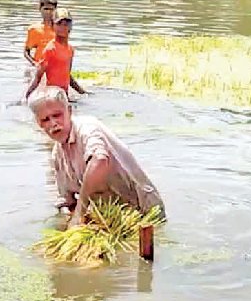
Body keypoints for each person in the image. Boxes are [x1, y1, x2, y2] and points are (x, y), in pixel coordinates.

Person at [29, 86, 165, 228]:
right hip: (111, 217)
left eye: (57, 115)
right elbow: (67, 201)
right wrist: (70, 221)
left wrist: (80, 211)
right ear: (39, 124)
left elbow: (99, 160)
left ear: (69, 111)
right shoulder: (58, 155)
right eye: (45, 120)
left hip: (143, 212)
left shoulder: (87, 129)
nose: (53, 123)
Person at [25, 8, 88, 100]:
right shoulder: (50, 49)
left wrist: (82, 92)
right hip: (52, 95)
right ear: (53, 26)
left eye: (66, 24)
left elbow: (67, 76)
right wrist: (27, 97)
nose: (63, 27)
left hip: (64, 96)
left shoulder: (70, 49)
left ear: (71, 27)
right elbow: (38, 77)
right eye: (59, 24)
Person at [24, 0, 58, 67]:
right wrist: (34, 63)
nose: (48, 12)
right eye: (46, 9)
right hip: (39, 65)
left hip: (55, 66)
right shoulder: (34, 29)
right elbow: (26, 52)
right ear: (40, 8)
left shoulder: (59, 28)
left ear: (55, 10)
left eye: (51, 9)